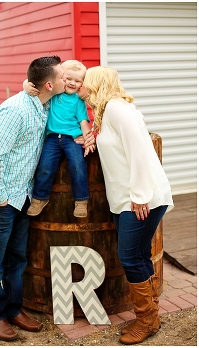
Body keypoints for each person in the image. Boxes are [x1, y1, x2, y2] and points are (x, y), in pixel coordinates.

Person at [0, 55, 66, 341]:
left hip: (23, 196)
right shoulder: (14, 110)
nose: (66, 80)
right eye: (62, 77)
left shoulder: (45, 104)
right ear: (49, 84)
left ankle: (14, 310)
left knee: (17, 259)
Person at [79, 66, 173, 345]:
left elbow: (140, 151)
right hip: (124, 199)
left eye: (85, 82)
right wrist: (90, 137)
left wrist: (141, 194)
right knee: (139, 255)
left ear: (97, 83)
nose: (81, 87)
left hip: (142, 198)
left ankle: (146, 321)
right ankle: (151, 317)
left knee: (130, 257)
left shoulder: (118, 109)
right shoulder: (107, 112)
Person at [22, 60, 95, 218]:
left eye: (77, 81)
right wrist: (26, 85)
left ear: (82, 84)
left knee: (78, 165)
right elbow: (37, 83)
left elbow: (83, 121)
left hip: (72, 139)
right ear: (62, 78)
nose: (72, 83)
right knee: (45, 166)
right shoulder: (55, 94)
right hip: (52, 138)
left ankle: (81, 201)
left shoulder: (78, 100)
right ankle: (40, 199)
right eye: (68, 79)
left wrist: (88, 138)